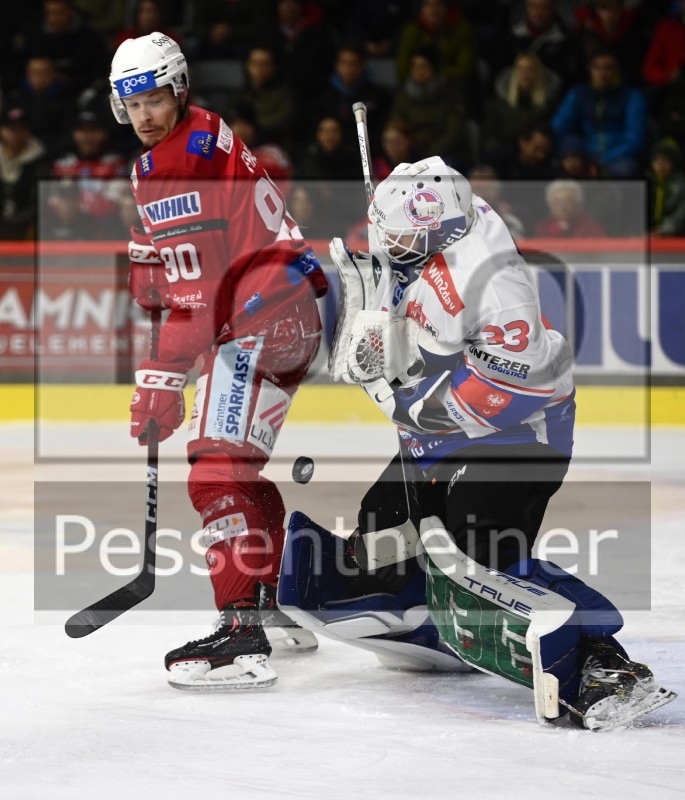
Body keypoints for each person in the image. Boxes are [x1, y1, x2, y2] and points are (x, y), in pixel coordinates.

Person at [285, 156, 675, 730]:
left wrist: (405, 400)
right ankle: (427, 616)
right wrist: (378, 319)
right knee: (381, 525)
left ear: (440, 228)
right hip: (443, 430)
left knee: (482, 555)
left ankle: (598, 660)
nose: (387, 242)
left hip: (519, 436)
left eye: (398, 234)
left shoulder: (496, 286)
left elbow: (505, 392)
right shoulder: (443, 219)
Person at [108, 32, 328, 690]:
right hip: (273, 310)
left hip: (266, 313)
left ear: (177, 90)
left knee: (214, 471)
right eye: (132, 103)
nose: (144, 114)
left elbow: (194, 296)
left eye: (153, 98)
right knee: (235, 468)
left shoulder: (185, 157)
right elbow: (169, 287)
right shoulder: (181, 150)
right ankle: (261, 604)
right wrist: (160, 375)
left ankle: (240, 630)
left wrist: (164, 380)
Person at [534, 178, 607, 237]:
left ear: (577, 204)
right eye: (557, 202)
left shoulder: (590, 227)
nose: (562, 206)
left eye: (567, 201)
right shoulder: (542, 227)